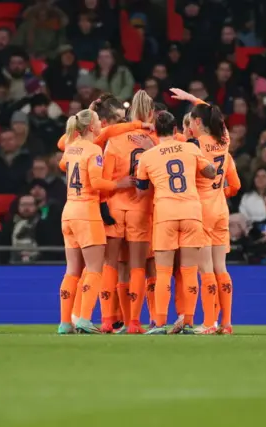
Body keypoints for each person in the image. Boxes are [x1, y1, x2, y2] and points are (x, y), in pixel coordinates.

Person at [136, 111, 215, 335]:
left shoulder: (148, 156)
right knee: (189, 270)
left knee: (163, 272)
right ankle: (188, 322)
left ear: (156, 131)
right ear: (174, 130)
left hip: (165, 214)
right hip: (191, 212)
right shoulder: (191, 148)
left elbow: (141, 191)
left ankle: (160, 323)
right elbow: (210, 173)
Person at [57, 108, 133, 335]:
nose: (102, 124)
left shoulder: (71, 148)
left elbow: (64, 165)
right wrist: (121, 183)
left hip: (68, 212)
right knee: (94, 269)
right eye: (99, 120)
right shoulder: (94, 150)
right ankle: (84, 319)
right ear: (91, 127)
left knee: (72, 270)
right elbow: (98, 182)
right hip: (87, 213)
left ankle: (64, 323)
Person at [170, 87, 238, 335]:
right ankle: (226, 323)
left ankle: (209, 322)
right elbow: (216, 117)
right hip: (221, 207)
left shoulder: (195, 145)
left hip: (201, 210)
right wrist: (193, 99)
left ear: (197, 122)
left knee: (205, 269)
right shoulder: (224, 140)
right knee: (222, 267)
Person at [100, 90, 158, 334]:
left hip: (115, 205)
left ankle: (108, 320)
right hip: (141, 209)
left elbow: (103, 179)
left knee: (111, 265)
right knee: (137, 267)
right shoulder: (155, 140)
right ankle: (134, 322)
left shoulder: (114, 139)